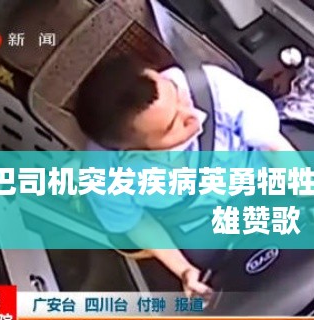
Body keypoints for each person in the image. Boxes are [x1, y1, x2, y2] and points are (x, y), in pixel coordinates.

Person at [74, 53, 300, 300]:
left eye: (177, 94)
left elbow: (273, 147)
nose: (193, 113)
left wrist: (312, 198)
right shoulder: (102, 175)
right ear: (133, 151)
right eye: (173, 125)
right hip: (202, 223)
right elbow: (135, 223)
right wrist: (184, 270)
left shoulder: (209, 87)